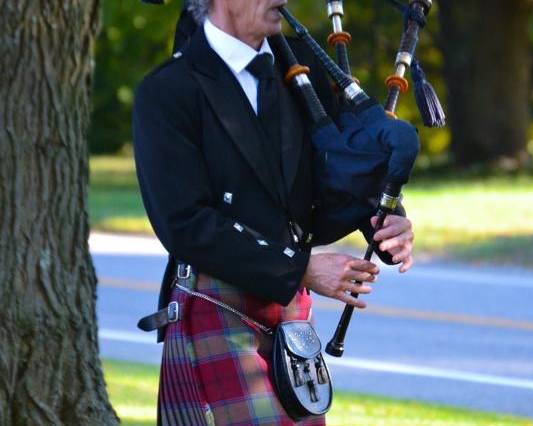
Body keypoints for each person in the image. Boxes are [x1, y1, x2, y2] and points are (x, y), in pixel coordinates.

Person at [132, 0, 415, 424]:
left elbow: (341, 168)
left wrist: (385, 217)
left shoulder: (305, 73)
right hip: (217, 300)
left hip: (290, 313)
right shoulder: (169, 91)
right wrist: (302, 269)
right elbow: (185, 224)